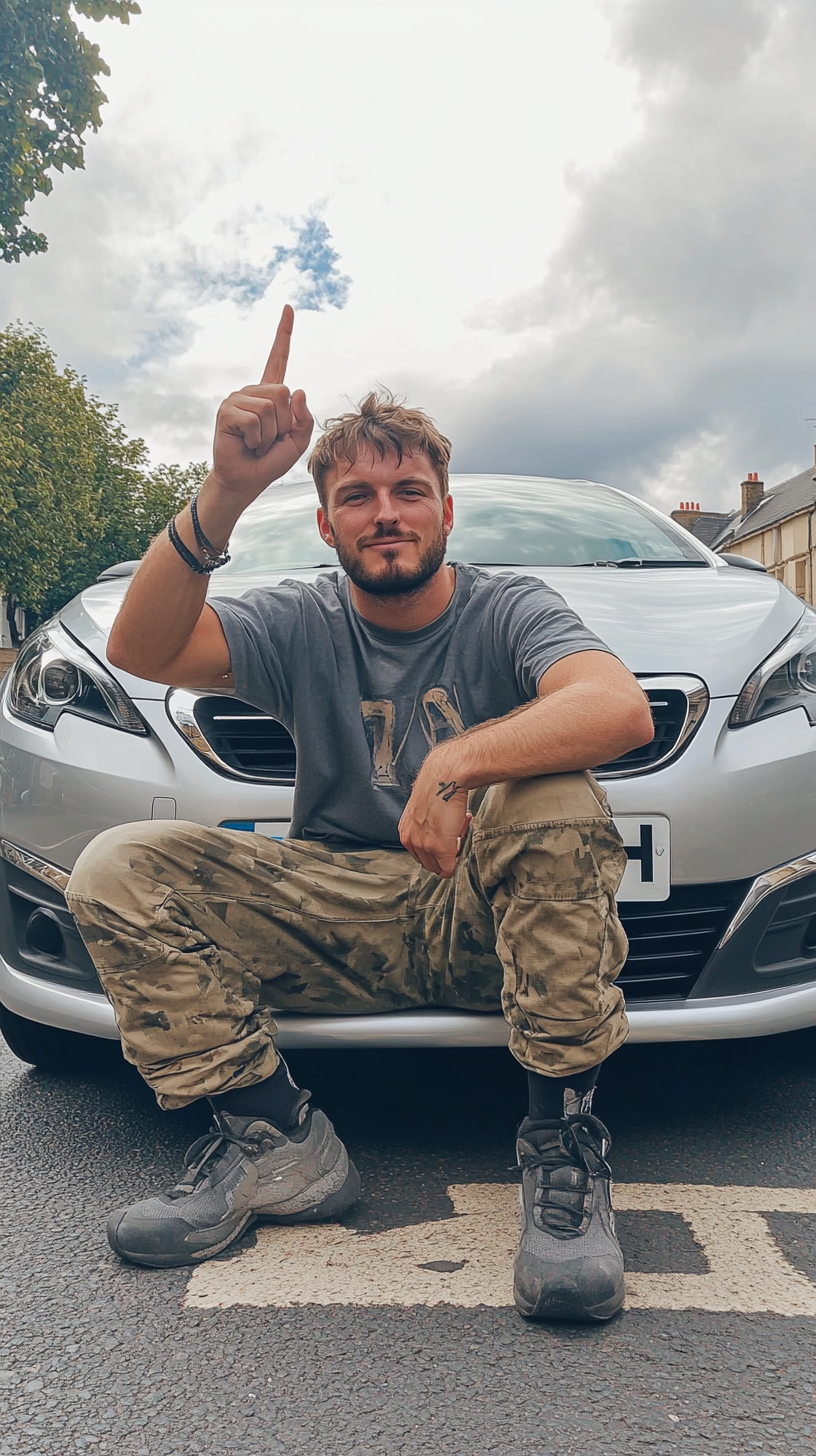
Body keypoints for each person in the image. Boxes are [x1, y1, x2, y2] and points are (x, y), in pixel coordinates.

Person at [66, 306, 654, 1322]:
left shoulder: (509, 605)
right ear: (328, 523)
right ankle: (276, 1143)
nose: (386, 512)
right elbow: (146, 648)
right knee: (118, 864)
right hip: (340, 909)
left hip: (477, 913)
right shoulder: (299, 615)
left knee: (554, 793)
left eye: (408, 491)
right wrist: (228, 490)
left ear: (446, 512)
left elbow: (617, 705)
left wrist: (459, 763)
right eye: (357, 496)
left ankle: (561, 1150)